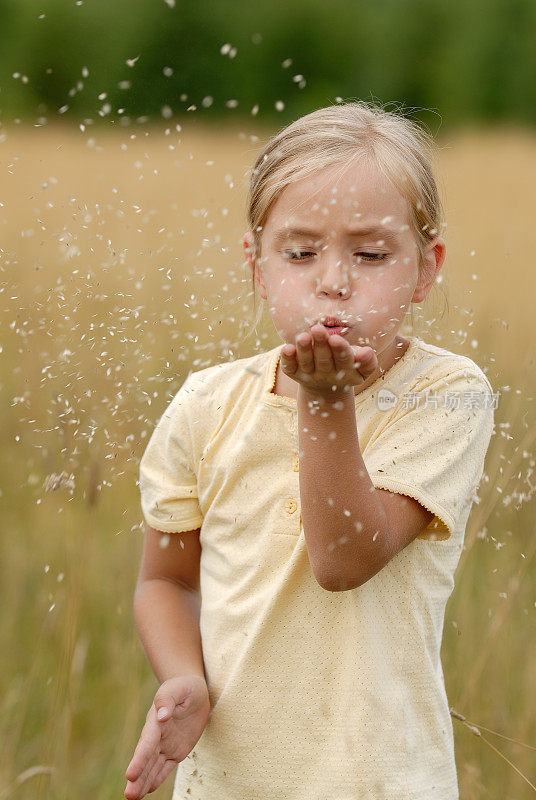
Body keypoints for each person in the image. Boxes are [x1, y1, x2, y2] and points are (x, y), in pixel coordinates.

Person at [124, 100, 496, 800]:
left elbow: (345, 558)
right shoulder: (207, 406)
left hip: (381, 782)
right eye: (300, 252)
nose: (333, 279)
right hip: (229, 783)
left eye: (371, 253)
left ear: (425, 268)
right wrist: (183, 676)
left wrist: (326, 401)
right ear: (259, 267)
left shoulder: (445, 395)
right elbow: (166, 580)